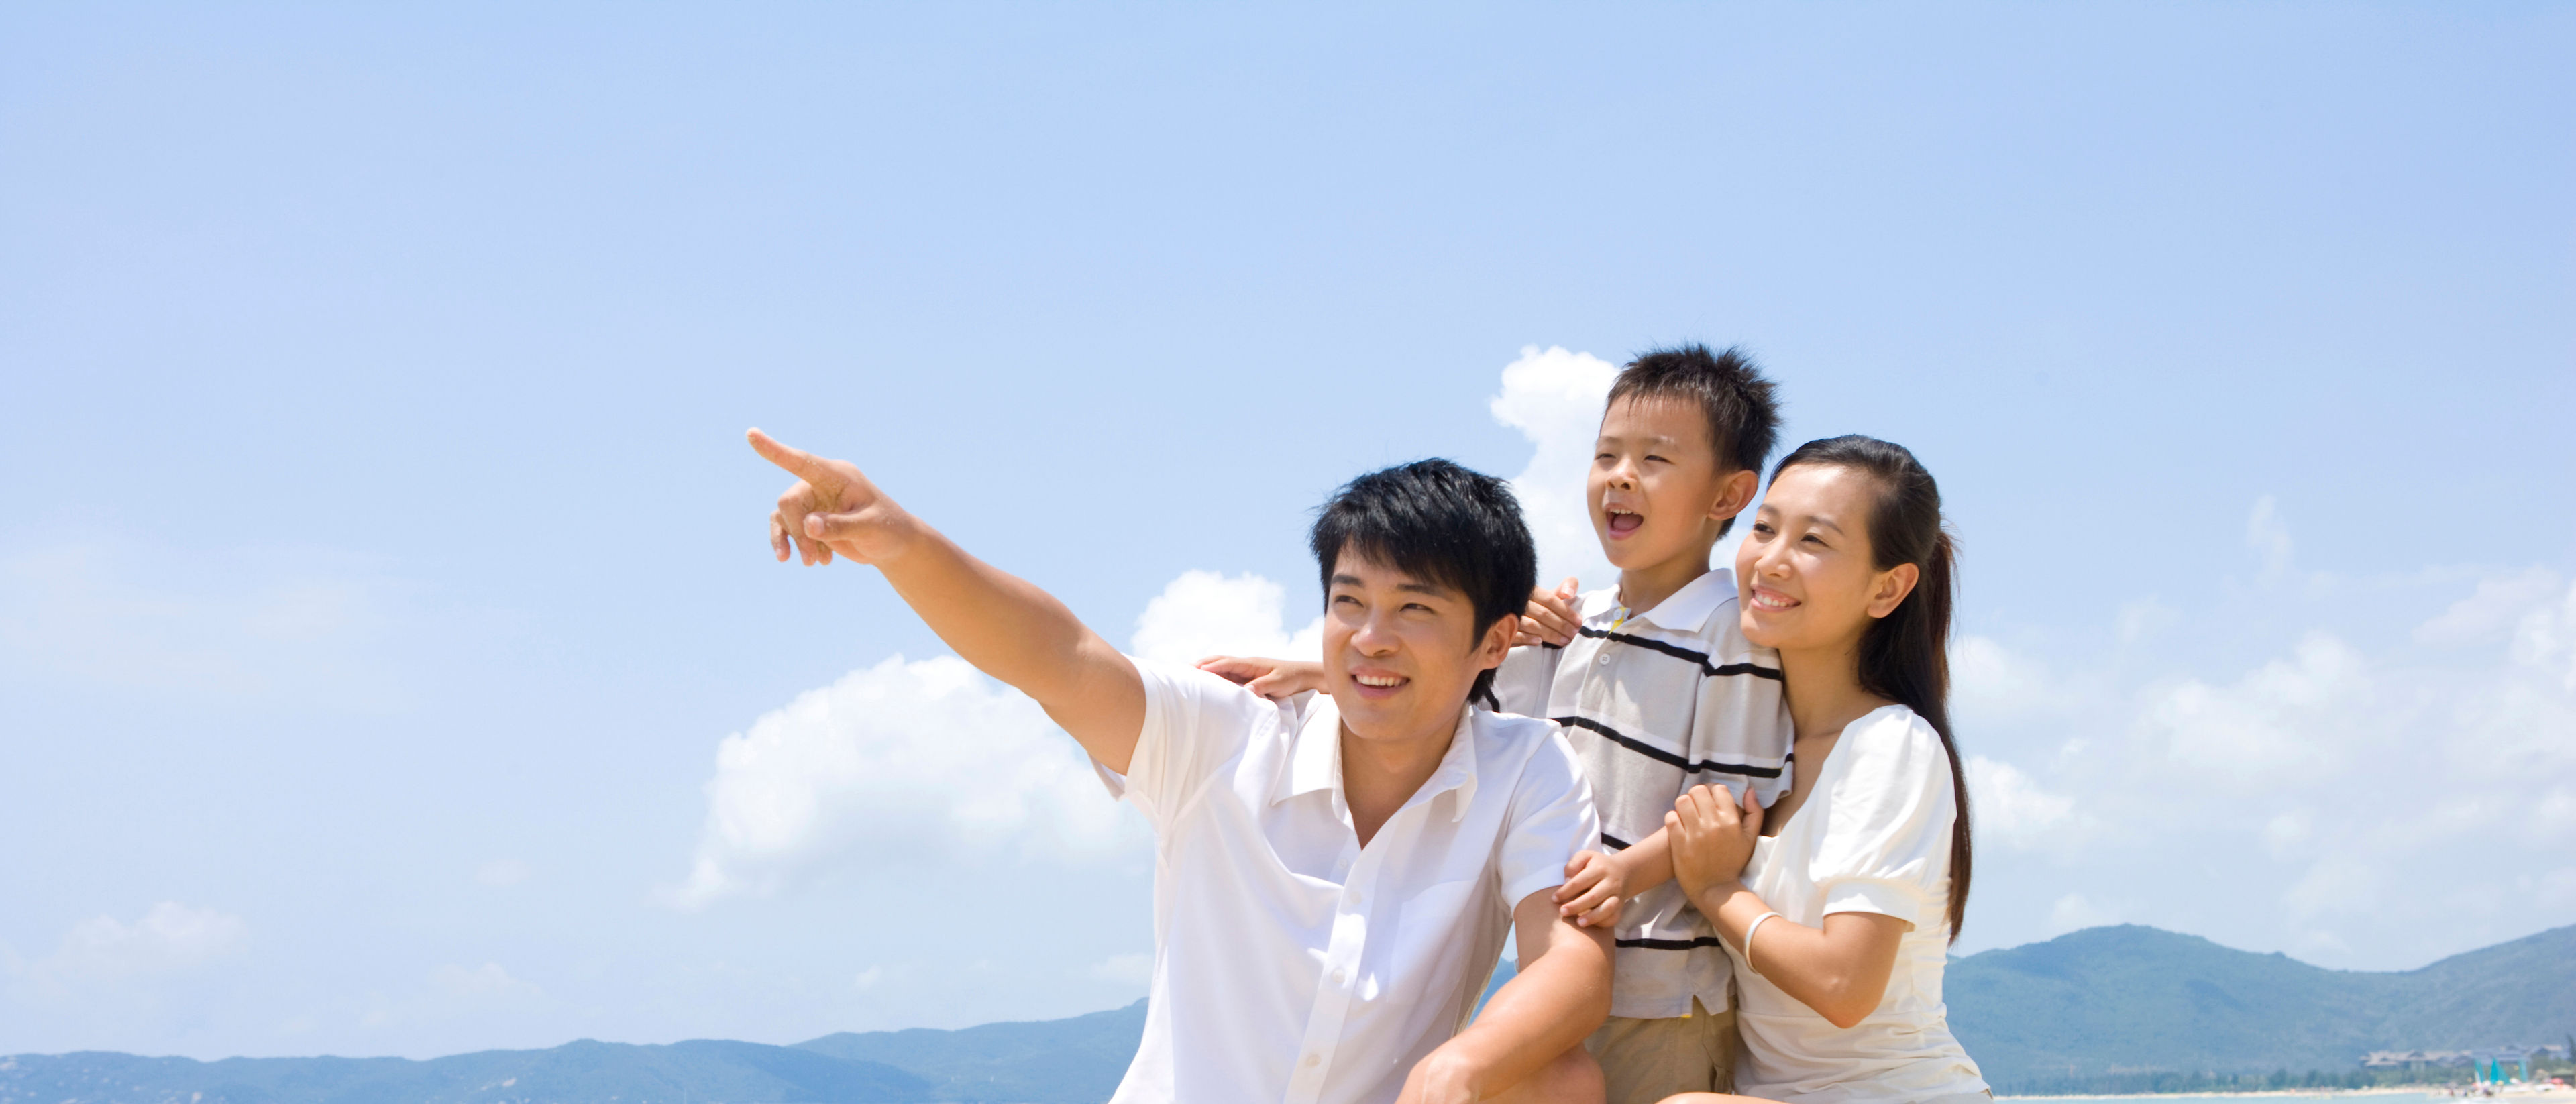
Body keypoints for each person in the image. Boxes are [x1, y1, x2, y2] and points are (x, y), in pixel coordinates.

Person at [747, 429, 1615, 1104]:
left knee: (1559, 1082)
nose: (1370, 637)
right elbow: (1062, 657)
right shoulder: (1230, 734)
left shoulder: (1527, 765)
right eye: (1348, 602)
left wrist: (1461, 1062)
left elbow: (1569, 968)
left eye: (1414, 609)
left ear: (1496, 641)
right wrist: (906, 544)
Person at [1205, 344, 1795, 1104]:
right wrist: (1324, 675)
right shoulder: (1577, 624)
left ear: (1729, 495)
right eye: (1607, 453)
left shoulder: (1731, 635)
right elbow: (1457, 700)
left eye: (1656, 459)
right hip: (1551, 970)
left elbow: (1733, 809)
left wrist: (1624, 872)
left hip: (1665, 983)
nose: (1620, 474)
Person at [1658, 435, 1988, 1104]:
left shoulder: (1891, 745)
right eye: (1764, 528)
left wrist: (1719, 889)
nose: (1771, 560)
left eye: (1814, 542)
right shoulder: (1752, 730)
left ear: (1888, 587)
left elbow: (1846, 986)